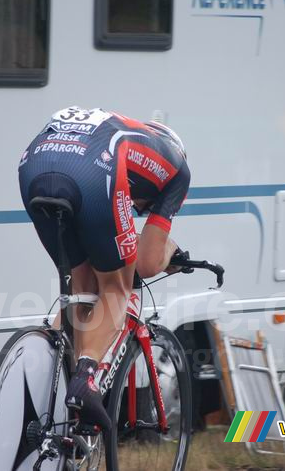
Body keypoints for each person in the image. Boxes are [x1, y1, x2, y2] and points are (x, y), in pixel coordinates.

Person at [18, 106, 190, 431]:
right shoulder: (178, 170)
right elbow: (149, 261)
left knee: (80, 289)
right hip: (94, 172)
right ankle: (84, 381)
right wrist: (171, 252)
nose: (141, 210)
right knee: (116, 288)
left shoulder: (135, 138)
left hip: (34, 165)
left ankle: (46, 374)